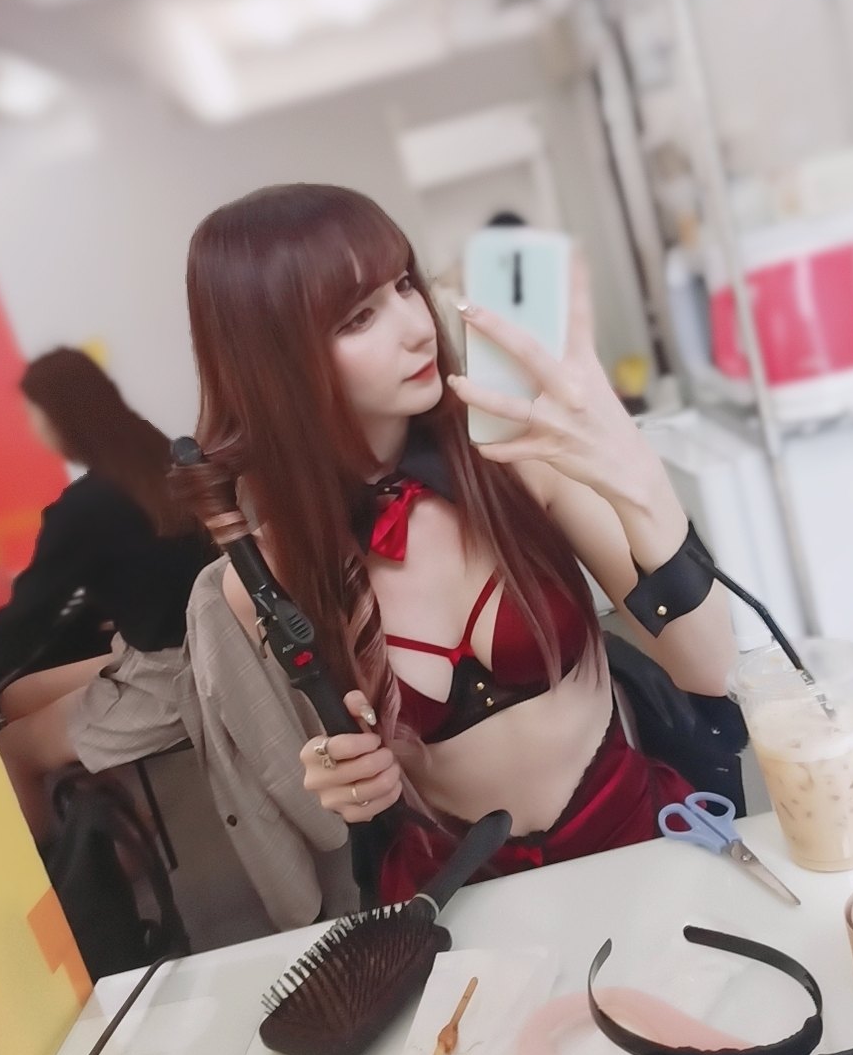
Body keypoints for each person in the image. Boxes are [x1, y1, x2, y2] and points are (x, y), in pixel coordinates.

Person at [180, 184, 736, 902]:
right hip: (461, 895)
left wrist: (637, 475)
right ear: (273, 364)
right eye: (358, 318)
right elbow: (346, 756)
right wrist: (341, 776)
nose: (417, 327)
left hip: (637, 845)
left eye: (403, 285)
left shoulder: (519, 458)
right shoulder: (267, 571)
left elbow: (710, 667)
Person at [0, 349, 211, 841]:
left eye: (34, 417)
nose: (33, 430)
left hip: (171, 675)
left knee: (12, 749)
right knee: (15, 696)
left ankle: (65, 881)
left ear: (61, 419)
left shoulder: (84, 509)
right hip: (194, 645)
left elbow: (29, 616)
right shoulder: (164, 452)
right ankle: (131, 831)